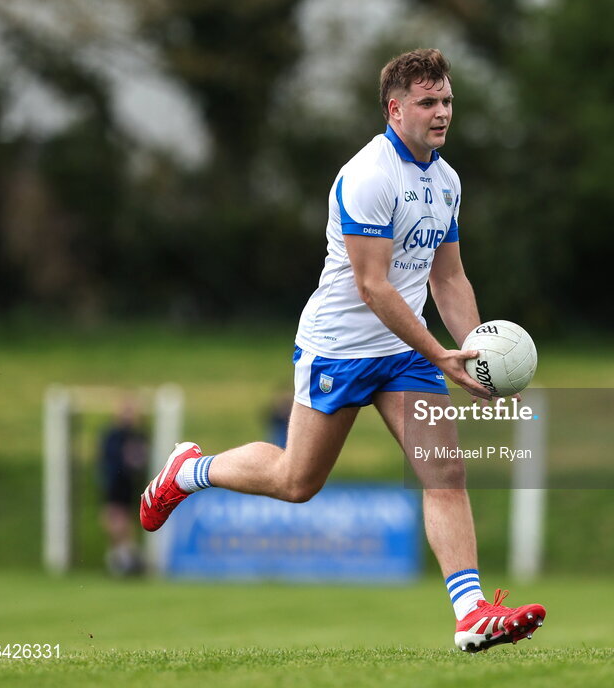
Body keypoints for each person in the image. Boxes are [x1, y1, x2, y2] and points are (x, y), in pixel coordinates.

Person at [140, 48, 545, 651]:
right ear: (396, 107)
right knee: (297, 480)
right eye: (429, 102)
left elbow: (449, 278)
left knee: (445, 473)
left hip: (407, 353)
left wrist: (473, 351)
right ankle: (190, 470)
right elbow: (372, 285)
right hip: (340, 348)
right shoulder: (369, 175)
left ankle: (471, 614)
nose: (442, 114)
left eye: (448, 101)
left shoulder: (445, 179)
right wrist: (440, 353)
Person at [99, 396, 149, 576]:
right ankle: (121, 557)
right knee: (115, 518)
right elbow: (107, 460)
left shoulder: (138, 435)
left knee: (128, 521)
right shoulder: (112, 435)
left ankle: (126, 557)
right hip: (114, 484)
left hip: (131, 485)